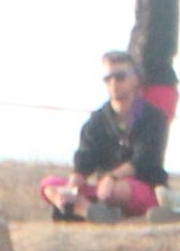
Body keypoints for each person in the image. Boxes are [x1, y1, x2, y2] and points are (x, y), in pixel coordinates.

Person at [44, 54, 171, 223]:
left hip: (140, 188)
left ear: (135, 80)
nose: (113, 83)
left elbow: (144, 159)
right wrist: (69, 189)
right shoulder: (97, 120)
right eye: (107, 78)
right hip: (102, 190)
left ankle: (87, 209)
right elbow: (84, 161)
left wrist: (111, 178)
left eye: (120, 77)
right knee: (49, 184)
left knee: (118, 190)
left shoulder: (153, 116)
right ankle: (91, 211)